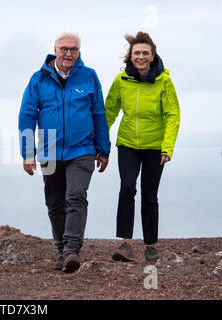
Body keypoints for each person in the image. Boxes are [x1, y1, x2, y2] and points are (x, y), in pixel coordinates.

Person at [18, 32, 110, 273]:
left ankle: (71, 250)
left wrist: (104, 149)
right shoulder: (38, 79)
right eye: (64, 49)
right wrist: (28, 152)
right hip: (49, 149)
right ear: (55, 50)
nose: (69, 53)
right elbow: (27, 116)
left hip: (83, 149)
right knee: (54, 202)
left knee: (76, 196)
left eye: (74, 49)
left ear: (79, 52)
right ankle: (61, 250)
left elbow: (99, 114)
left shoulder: (89, 76)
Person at [105, 31, 180, 262]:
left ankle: (150, 245)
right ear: (130, 56)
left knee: (150, 195)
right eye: (136, 52)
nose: (140, 56)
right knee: (127, 188)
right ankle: (125, 244)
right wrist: (99, 142)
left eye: (145, 53)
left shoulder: (164, 81)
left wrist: (167, 148)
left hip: (155, 147)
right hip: (127, 143)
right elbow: (109, 111)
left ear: (152, 55)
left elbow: (172, 115)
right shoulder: (121, 80)